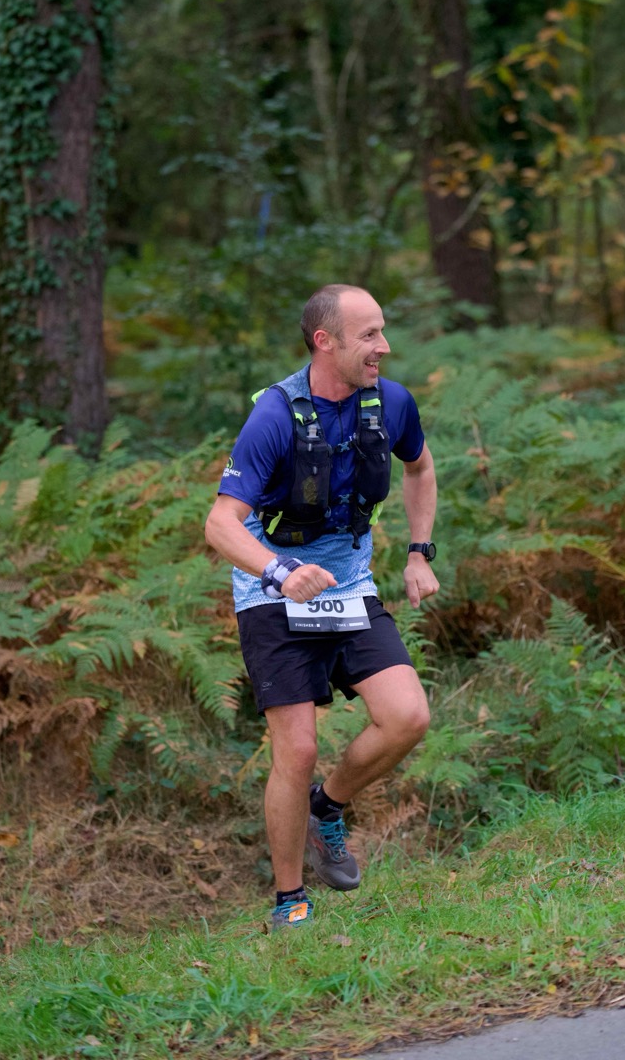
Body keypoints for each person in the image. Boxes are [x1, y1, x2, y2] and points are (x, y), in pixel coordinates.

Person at [204, 284, 439, 929]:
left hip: (349, 583)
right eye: (369, 335)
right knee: (298, 748)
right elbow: (221, 524)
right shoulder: (274, 416)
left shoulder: (391, 403)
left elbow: (420, 469)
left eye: (382, 331)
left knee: (407, 717)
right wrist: (280, 572)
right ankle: (291, 900)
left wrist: (419, 553)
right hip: (272, 589)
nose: (384, 347)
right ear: (324, 341)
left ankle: (326, 808)